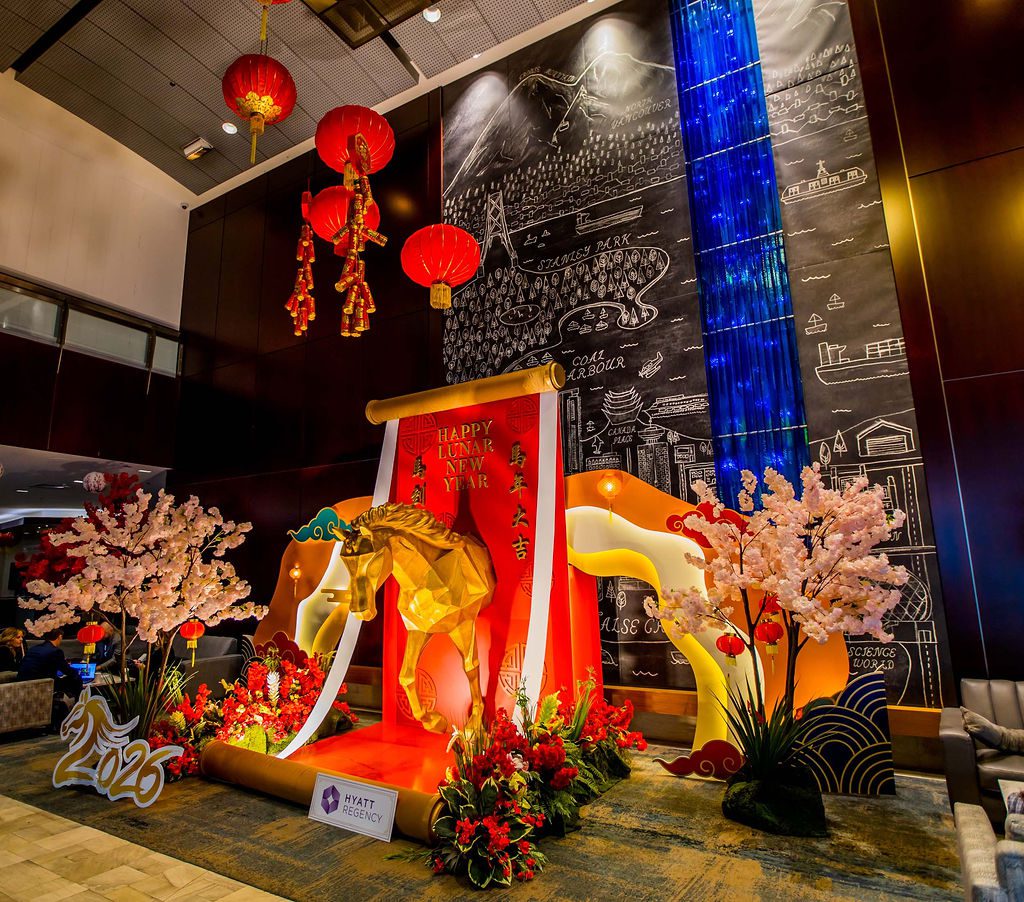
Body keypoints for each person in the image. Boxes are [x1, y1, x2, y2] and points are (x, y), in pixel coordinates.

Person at [18, 628, 83, 727]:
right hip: (43, 684)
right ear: (59, 637)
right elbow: (67, 670)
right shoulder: (55, 651)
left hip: (24, 683)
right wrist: (77, 672)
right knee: (76, 679)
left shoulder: (34, 648)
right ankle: (78, 710)